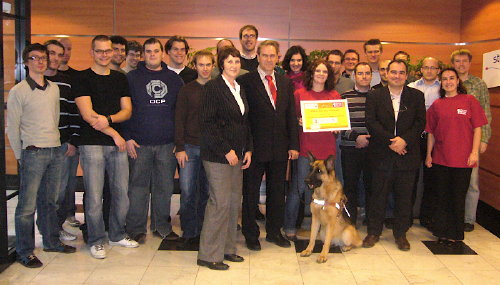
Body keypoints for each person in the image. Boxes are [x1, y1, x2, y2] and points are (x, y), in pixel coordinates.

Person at [7, 43, 76, 268]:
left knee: (50, 202)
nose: (40, 61)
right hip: (33, 153)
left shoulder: (54, 88)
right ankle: (24, 251)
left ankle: (51, 242)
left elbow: (54, 119)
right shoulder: (19, 90)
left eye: (43, 58)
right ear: (26, 62)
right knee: (27, 206)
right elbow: (12, 127)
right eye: (35, 58)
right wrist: (20, 156)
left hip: (55, 150)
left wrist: (57, 145)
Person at [74, 35, 137, 259]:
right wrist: (113, 132)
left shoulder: (120, 79)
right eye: (99, 51)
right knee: (93, 195)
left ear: (113, 52)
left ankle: (117, 234)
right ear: (92, 53)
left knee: (122, 193)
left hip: (116, 145)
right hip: (92, 145)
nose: (104, 55)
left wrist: (109, 121)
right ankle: (96, 239)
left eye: (107, 51)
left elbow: (126, 111)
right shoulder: (82, 78)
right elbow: (88, 115)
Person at [238, 41, 299, 251]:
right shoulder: (245, 81)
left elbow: (290, 114)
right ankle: (251, 234)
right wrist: (247, 147)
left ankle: (274, 232)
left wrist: (293, 144)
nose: (269, 59)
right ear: (257, 55)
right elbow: (243, 118)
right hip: (255, 148)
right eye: (264, 55)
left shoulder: (284, 81)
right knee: (251, 193)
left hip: (280, 148)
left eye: (272, 56)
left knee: (276, 192)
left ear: (278, 57)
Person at [123, 37, 184, 243]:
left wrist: (179, 140)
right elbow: (124, 110)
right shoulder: (131, 78)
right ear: (143, 54)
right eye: (148, 51)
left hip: (167, 144)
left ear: (162, 53)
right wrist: (128, 137)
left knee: (164, 187)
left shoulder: (174, 80)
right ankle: (136, 229)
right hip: (139, 144)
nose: (152, 55)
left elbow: (180, 113)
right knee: (137, 187)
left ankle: (162, 227)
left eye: (155, 51)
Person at [197, 46, 252, 270]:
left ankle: (228, 249)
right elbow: (207, 124)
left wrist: (247, 149)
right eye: (229, 61)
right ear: (221, 65)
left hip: (237, 155)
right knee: (219, 203)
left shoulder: (239, 87)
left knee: (231, 203)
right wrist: (225, 150)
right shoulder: (213, 87)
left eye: (237, 61)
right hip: (218, 156)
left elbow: (244, 122)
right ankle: (208, 254)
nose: (234, 65)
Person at [363, 59, 426, 251]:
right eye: (393, 72)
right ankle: (374, 232)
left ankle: (401, 234)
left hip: (407, 155)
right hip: (382, 153)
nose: (397, 76)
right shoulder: (375, 95)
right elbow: (371, 122)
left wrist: (404, 141)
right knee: (377, 196)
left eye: (401, 72)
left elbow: (420, 123)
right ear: (386, 74)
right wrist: (392, 142)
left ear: (406, 76)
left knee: (404, 198)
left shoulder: (416, 96)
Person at [425, 67, 487, 243]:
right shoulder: (437, 105)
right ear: (441, 83)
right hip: (441, 158)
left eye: (451, 78)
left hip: (463, 159)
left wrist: (475, 152)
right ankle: (441, 231)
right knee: (441, 196)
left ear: (458, 81)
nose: (448, 82)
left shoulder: (469, 101)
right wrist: (429, 154)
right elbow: (431, 132)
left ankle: (455, 233)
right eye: (445, 79)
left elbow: (477, 128)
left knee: (458, 197)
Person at [283, 59, 340, 240]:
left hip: (327, 151)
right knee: (298, 188)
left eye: (324, 72)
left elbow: (338, 122)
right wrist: (298, 121)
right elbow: (290, 120)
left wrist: (337, 127)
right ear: (311, 74)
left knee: (326, 192)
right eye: (318, 71)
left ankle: (325, 227)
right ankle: (290, 226)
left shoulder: (334, 95)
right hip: (305, 150)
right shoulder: (300, 94)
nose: (321, 74)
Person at [38, 40, 82, 242]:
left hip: (64, 144)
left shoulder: (66, 81)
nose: (55, 58)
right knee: (45, 192)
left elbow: (74, 114)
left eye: (59, 54)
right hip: (40, 145)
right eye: (51, 54)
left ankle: (56, 227)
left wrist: (73, 140)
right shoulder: (35, 82)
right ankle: (48, 231)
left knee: (62, 191)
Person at [175, 50, 214, 244]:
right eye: (201, 65)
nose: (205, 68)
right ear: (195, 66)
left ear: (213, 67)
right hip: (189, 148)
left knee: (206, 192)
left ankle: (203, 230)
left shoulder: (218, 89)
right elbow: (179, 120)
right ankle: (189, 231)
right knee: (188, 191)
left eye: (208, 65)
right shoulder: (187, 90)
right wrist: (180, 148)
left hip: (211, 149)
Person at [451, 49, 492, 232]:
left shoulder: (478, 84)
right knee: (452, 181)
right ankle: (452, 215)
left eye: (464, 61)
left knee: (472, 182)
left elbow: (486, 113)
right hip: (451, 140)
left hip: (472, 141)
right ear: (453, 64)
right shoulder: (448, 82)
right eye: (457, 61)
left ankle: (468, 218)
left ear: (469, 63)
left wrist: (484, 139)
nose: (461, 64)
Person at [408, 57, 441, 228]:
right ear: (420, 69)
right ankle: (407, 216)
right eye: (426, 67)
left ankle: (427, 217)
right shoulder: (412, 88)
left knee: (431, 179)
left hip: (435, 139)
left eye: (432, 68)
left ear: (438, 70)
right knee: (410, 178)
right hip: (414, 138)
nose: (429, 70)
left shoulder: (444, 88)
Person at [340, 62, 373, 226]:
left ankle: (371, 221)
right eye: (360, 73)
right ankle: (349, 221)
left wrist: (369, 139)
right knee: (350, 186)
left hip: (372, 149)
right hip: (349, 149)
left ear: (372, 76)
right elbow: (340, 124)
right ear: (354, 76)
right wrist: (356, 137)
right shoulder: (344, 97)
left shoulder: (379, 96)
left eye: (367, 73)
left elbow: (383, 123)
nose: (364, 76)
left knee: (372, 185)